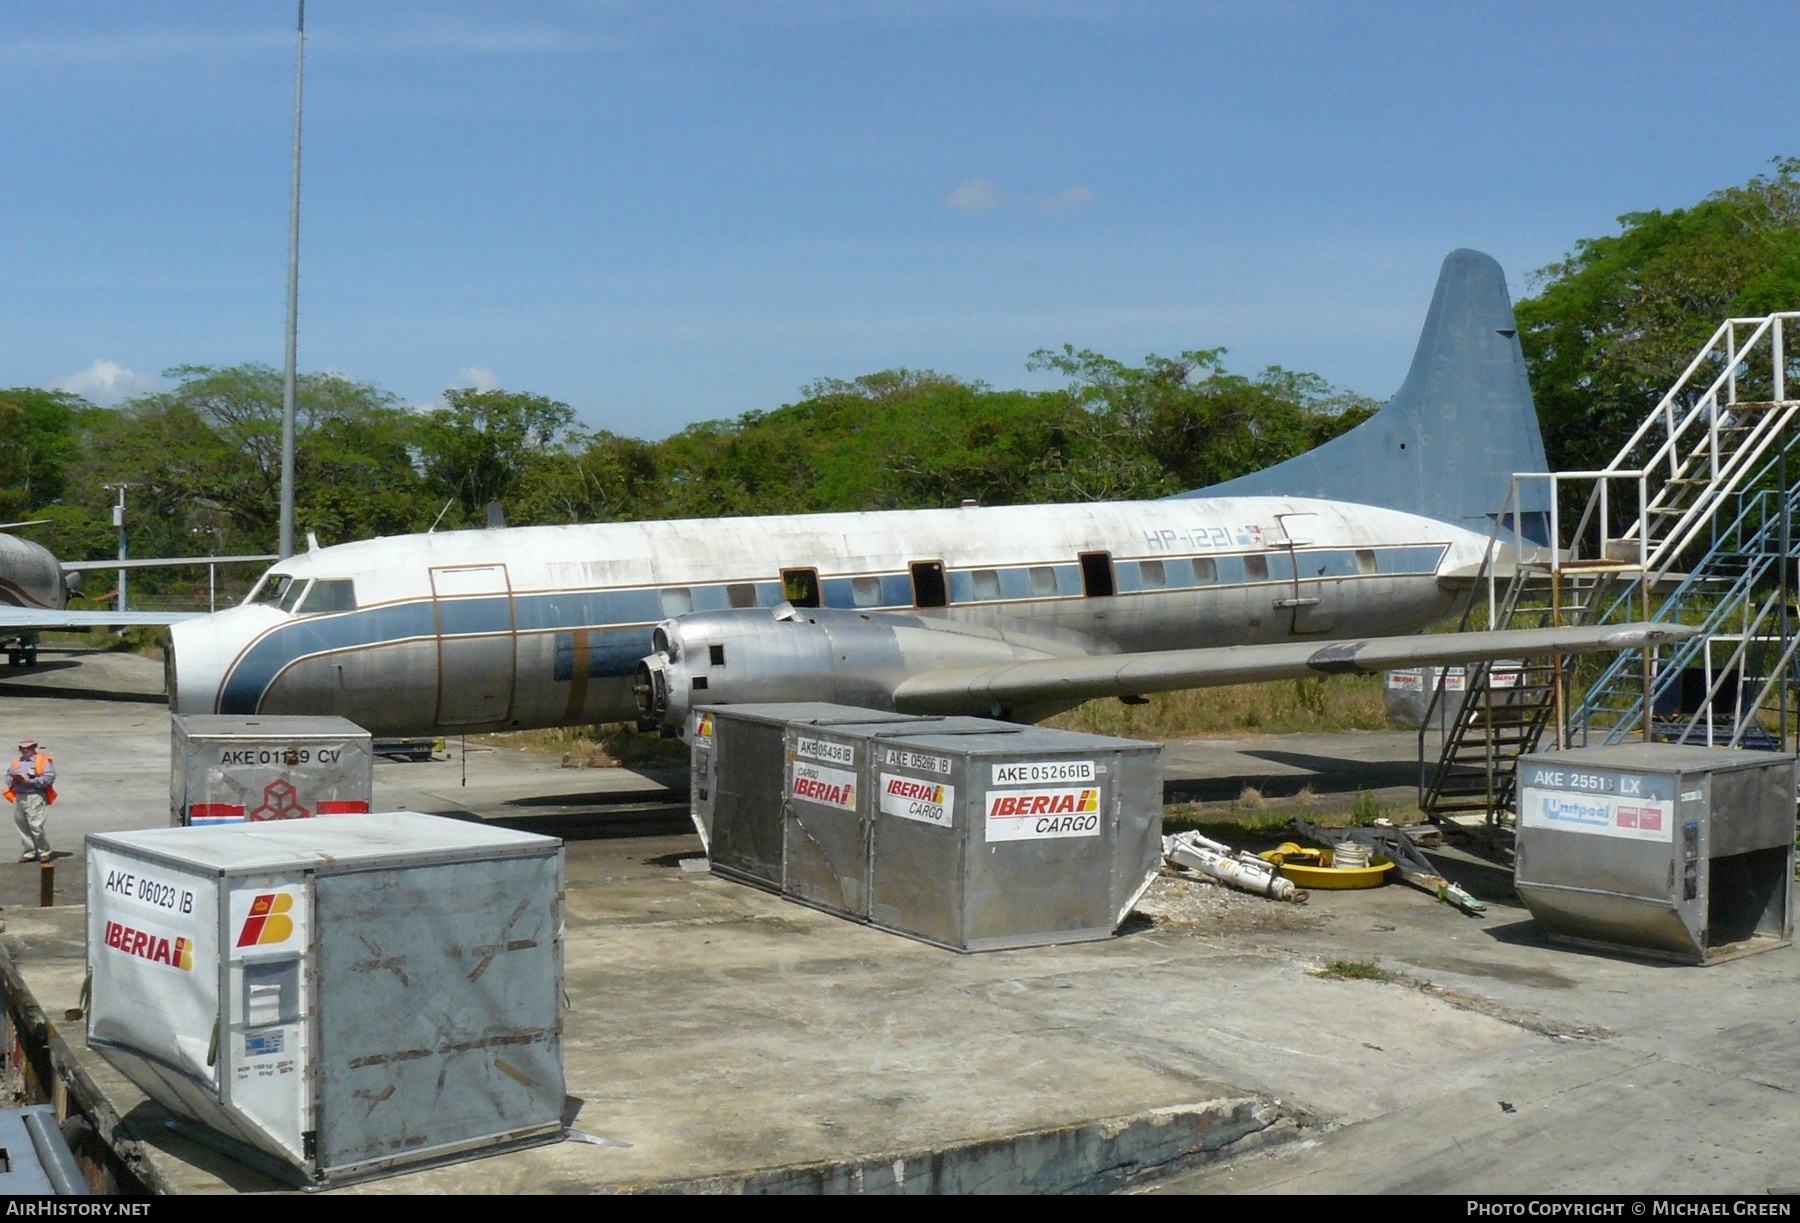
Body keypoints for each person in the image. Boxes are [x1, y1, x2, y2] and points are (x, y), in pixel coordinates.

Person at [5, 738, 56, 863]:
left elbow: (49, 778)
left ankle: (44, 851)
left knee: (36, 825)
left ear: (34, 747)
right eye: (23, 748)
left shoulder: (43, 760)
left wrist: (30, 782)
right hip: (20, 796)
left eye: (28, 747)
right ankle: (29, 852)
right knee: (22, 825)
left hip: (35, 795)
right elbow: (8, 775)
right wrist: (13, 780)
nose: (25, 750)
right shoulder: (17, 762)